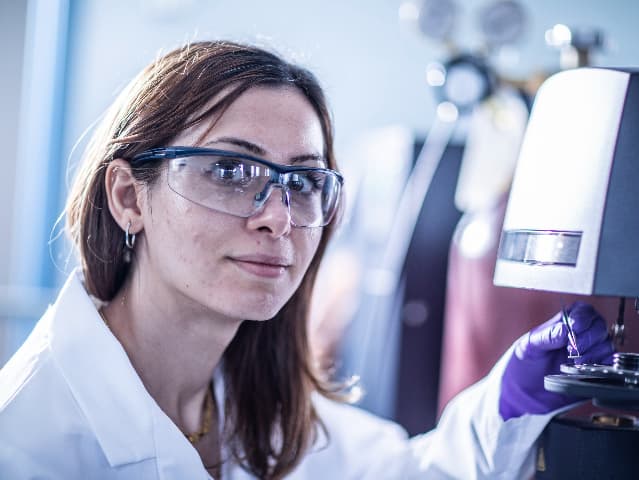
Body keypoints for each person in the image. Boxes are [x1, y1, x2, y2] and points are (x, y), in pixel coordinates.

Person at [0, 41, 614, 479]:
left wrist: (506, 402)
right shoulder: (26, 441)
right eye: (231, 171)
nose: (279, 216)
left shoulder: (254, 405)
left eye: (302, 181)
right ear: (129, 197)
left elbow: (408, 473)